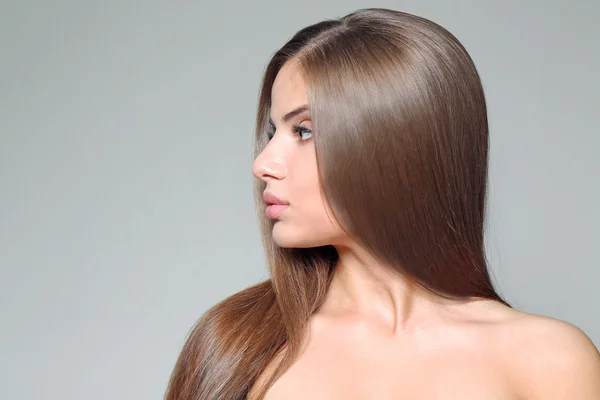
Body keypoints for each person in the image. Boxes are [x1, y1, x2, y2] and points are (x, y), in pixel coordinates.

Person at [165, 8, 600, 400]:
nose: (263, 164)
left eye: (303, 131)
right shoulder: (235, 346)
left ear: (395, 145)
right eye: (271, 132)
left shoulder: (550, 361)